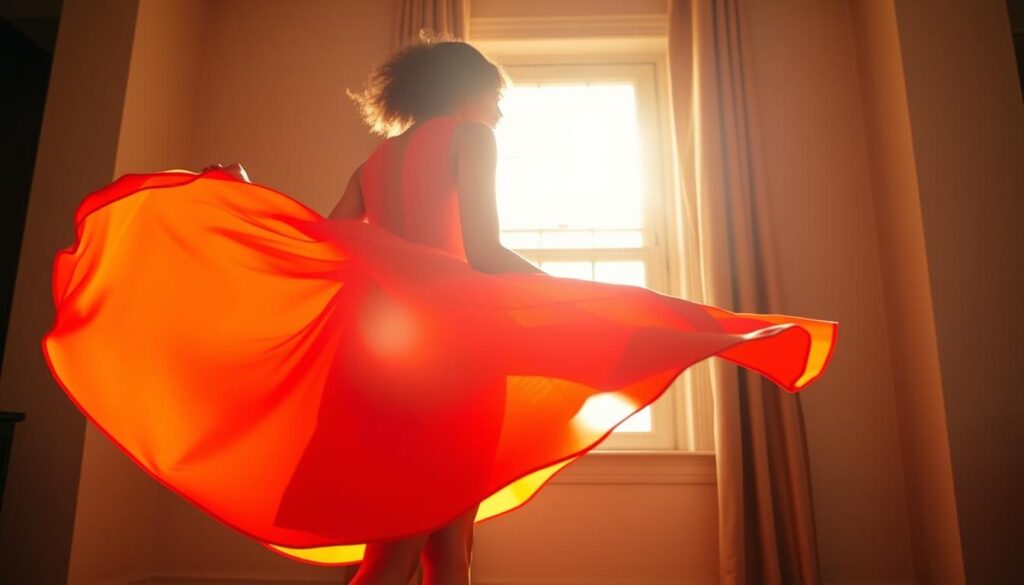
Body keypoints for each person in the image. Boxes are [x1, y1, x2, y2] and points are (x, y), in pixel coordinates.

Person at [42, 29, 838, 585]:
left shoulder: (376, 158)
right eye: (496, 96)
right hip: (454, 358)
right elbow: (485, 257)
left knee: (430, 547)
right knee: (415, 554)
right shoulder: (470, 138)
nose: (500, 111)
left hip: (379, 360)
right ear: (471, 91)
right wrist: (578, 299)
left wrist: (241, 198)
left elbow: (324, 243)